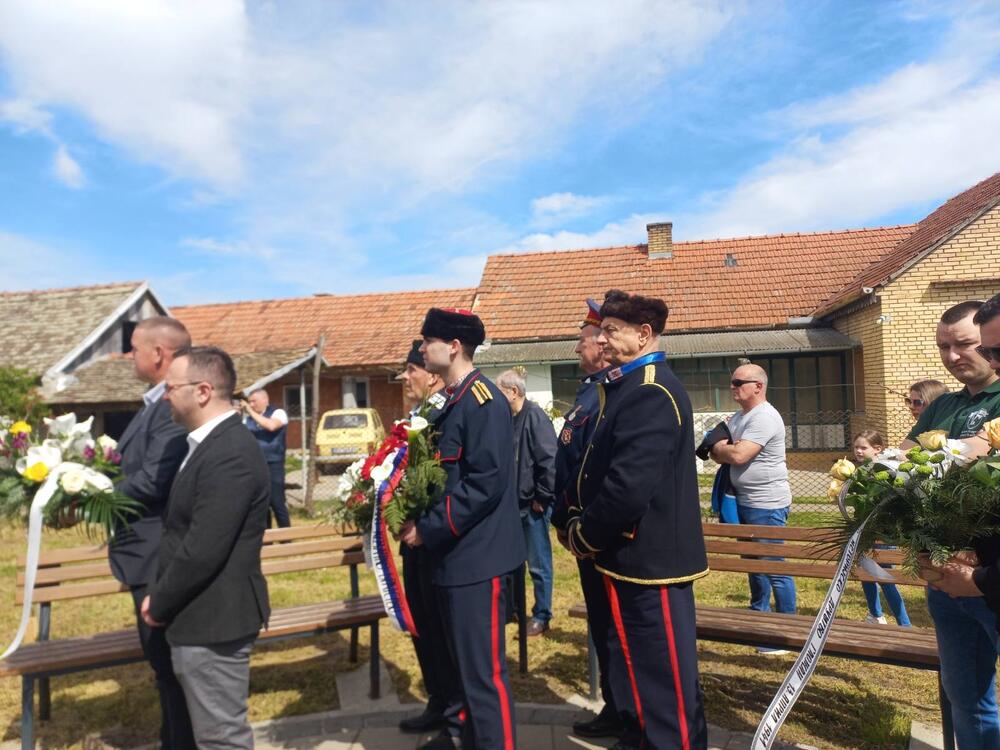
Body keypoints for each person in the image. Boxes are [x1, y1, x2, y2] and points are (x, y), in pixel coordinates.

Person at [565, 289, 709, 750]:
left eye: (611, 330)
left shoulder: (650, 391)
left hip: (651, 563)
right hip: (628, 559)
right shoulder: (629, 385)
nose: (601, 339)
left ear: (644, 334)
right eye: (601, 331)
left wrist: (585, 535)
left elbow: (627, 488)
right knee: (644, 674)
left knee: (665, 684)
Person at [400, 308, 526, 750]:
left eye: (427, 341)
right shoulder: (454, 400)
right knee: (466, 672)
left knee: (483, 677)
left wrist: (428, 528)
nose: (421, 348)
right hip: (457, 559)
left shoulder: (482, 401)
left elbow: (485, 483)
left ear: (453, 347)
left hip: (478, 560)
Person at [144, 346, 271, 750]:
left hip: (214, 620)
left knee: (221, 739)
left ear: (202, 391)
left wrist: (159, 602)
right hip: (199, 615)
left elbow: (203, 548)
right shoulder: (206, 444)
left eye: (170, 388)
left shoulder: (229, 453)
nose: (164, 397)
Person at [903, 300, 1000, 750]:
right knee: (966, 696)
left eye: (965, 344)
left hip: (991, 575)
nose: (953, 356)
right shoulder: (942, 406)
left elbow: (977, 450)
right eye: (944, 347)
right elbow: (903, 460)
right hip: (944, 576)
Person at [109, 316, 196, 749]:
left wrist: (90, 493)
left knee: (169, 666)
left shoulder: (169, 407)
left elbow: (153, 481)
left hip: (157, 557)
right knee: (163, 668)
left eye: (134, 348)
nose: (129, 355)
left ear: (159, 353)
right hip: (143, 556)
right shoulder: (153, 403)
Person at [551, 299, 630, 741]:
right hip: (579, 530)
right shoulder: (589, 391)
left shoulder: (613, 394)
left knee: (617, 629)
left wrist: (581, 526)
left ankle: (628, 714)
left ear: (602, 345)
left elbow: (602, 471)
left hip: (599, 534)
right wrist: (562, 519)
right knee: (602, 626)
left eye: (582, 340)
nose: (577, 347)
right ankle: (615, 708)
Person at [394, 340, 461, 737]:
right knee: (423, 625)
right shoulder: (416, 417)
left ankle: (454, 711)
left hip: (438, 541)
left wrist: (425, 524)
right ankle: (438, 699)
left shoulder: (445, 414)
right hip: (413, 542)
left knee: (443, 630)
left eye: (411, 370)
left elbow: (448, 483)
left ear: (433, 376)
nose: (405, 378)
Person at [710, 363, 797, 620]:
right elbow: (713, 452)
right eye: (732, 382)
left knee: (773, 566)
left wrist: (721, 447)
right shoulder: (739, 417)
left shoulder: (764, 417)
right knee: (753, 562)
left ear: (758, 386)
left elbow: (738, 455)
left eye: (738, 383)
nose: (732, 387)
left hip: (766, 504)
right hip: (743, 500)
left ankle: (788, 622)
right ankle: (759, 613)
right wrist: (722, 449)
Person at [496, 368, 557, 638]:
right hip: (512, 505)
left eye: (499, 392)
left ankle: (542, 616)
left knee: (538, 564)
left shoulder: (534, 416)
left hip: (533, 506)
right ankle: (514, 609)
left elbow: (549, 460)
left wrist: (542, 497)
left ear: (514, 392)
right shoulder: (508, 419)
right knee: (511, 561)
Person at [851, 430, 911, 627]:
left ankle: (904, 624)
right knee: (865, 572)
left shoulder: (887, 470)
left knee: (884, 576)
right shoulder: (861, 471)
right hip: (865, 528)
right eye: (856, 447)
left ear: (878, 449)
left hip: (885, 532)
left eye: (863, 447)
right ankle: (875, 615)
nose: (858, 451)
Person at [240, 388, 291, 528]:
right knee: (262, 503)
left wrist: (249, 411)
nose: (251, 405)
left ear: (265, 400)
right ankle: (266, 536)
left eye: (254, 401)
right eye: (249, 402)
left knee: (277, 501)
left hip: (274, 464)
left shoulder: (278, 413)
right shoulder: (247, 420)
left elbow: (271, 426)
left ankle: (286, 536)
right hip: (255, 464)